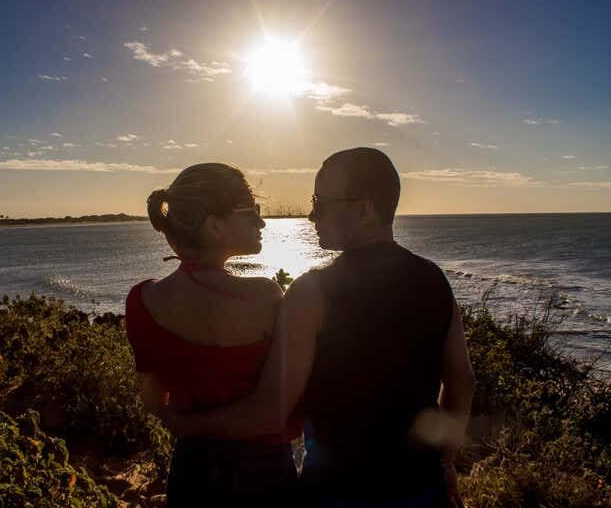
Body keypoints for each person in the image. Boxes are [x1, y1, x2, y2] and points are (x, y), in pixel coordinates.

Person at [168, 148, 476, 507]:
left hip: (337, 492)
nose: (312, 214)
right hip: (421, 491)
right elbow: (463, 382)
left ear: (365, 209)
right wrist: (446, 460)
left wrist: (186, 424)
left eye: (321, 202)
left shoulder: (312, 292)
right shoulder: (434, 281)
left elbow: (271, 413)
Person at [124, 163, 302, 506]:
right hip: (262, 475)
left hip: (192, 470)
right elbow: (273, 412)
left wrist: (184, 424)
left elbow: (152, 400)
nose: (261, 222)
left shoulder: (143, 299)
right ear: (214, 226)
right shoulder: (264, 297)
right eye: (252, 211)